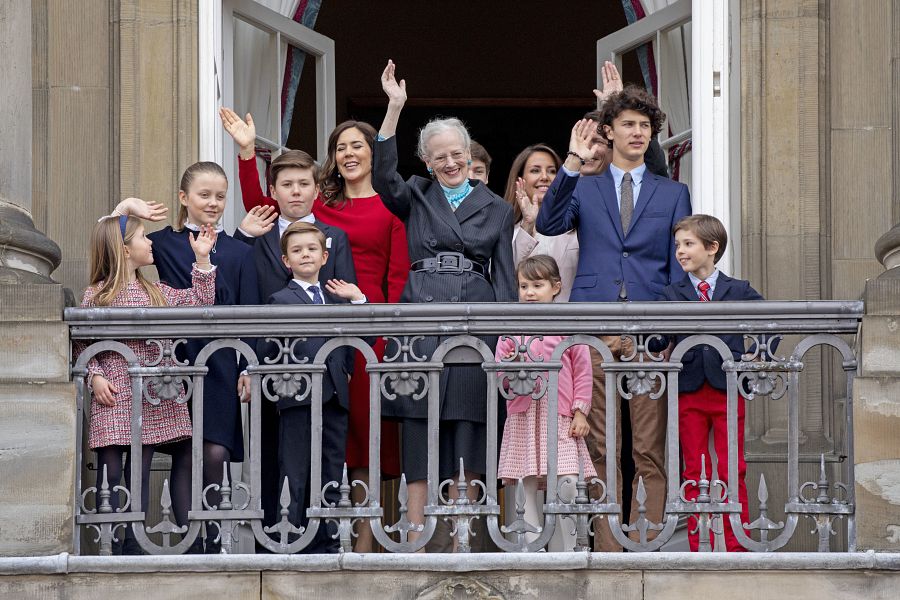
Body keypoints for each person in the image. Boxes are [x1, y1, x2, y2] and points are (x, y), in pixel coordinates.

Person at [221, 109, 406, 552]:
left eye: (304, 184)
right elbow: (245, 302)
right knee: (271, 458)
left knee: (324, 457)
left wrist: (343, 362)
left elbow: (342, 305)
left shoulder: (331, 235)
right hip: (270, 366)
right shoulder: (262, 230)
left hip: (324, 370)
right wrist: (247, 153)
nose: (296, 192)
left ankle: (320, 539)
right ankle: (272, 541)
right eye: (287, 185)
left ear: (315, 188)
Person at [536, 86, 692, 551]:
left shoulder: (673, 192)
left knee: (648, 446)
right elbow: (548, 224)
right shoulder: (585, 185)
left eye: (644, 126)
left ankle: (647, 541)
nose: (638, 132)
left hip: (648, 331)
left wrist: (666, 329)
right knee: (601, 446)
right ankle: (607, 547)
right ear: (609, 131)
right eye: (628, 124)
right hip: (596, 326)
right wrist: (570, 163)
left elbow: (676, 263)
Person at [373, 60, 517, 545]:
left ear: (468, 153)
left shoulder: (497, 207)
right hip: (420, 319)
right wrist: (394, 108)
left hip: (476, 323)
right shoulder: (415, 194)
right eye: (439, 158)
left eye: (456, 154)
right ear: (428, 162)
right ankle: (416, 539)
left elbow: (507, 280)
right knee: (418, 428)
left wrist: (504, 343)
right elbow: (383, 175)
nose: (450, 163)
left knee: (470, 429)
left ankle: (464, 539)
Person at [77, 204, 216, 554]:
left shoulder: (157, 291)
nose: (150, 243)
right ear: (124, 249)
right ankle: (118, 543)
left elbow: (200, 303)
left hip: (156, 394)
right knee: (113, 470)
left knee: (162, 457)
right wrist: (93, 376)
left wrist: (201, 260)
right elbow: (83, 344)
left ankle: (168, 540)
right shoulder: (97, 294)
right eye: (142, 237)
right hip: (114, 391)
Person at [140, 162, 261, 553]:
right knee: (185, 450)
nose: (213, 203)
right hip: (174, 359)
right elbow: (113, 238)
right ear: (183, 198)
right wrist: (130, 208)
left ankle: (215, 537)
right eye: (204, 195)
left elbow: (250, 311)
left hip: (223, 361)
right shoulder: (162, 242)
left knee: (216, 450)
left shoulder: (241, 251)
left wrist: (249, 367)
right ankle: (193, 547)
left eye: (220, 196)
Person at [261, 221, 366, 553]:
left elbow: (360, 339)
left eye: (311, 249)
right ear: (286, 261)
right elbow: (270, 349)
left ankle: (328, 540)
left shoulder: (338, 299)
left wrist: (359, 299)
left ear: (324, 257)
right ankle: (290, 539)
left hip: (334, 397)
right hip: (298, 398)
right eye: (296, 250)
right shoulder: (279, 299)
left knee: (332, 469)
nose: (304, 254)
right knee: (295, 470)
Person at [663, 214, 761, 552]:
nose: (680, 251)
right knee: (694, 469)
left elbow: (772, 320)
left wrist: (756, 355)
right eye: (678, 245)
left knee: (734, 467)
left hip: (728, 390)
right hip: (688, 390)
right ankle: (698, 546)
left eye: (688, 244)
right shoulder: (671, 292)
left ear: (712, 248)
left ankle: (738, 546)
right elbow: (660, 337)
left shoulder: (738, 290)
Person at [495, 255, 595, 551]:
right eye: (524, 286)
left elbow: (583, 370)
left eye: (537, 285)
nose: (529, 292)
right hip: (524, 415)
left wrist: (580, 412)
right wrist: (511, 368)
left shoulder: (566, 324)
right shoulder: (511, 327)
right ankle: (530, 548)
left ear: (556, 287)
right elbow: (501, 370)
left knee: (566, 480)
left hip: (560, 415)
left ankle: (567, 548)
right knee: (526, 483)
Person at [503, 144, 578, 301]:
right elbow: (505, 277)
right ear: (519, 179)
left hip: (571, 322)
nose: (545, 177)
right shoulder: (506, 230)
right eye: (535, 170)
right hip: (524, 323)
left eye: (552, 171)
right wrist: (528, 225)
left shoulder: (578, 228)